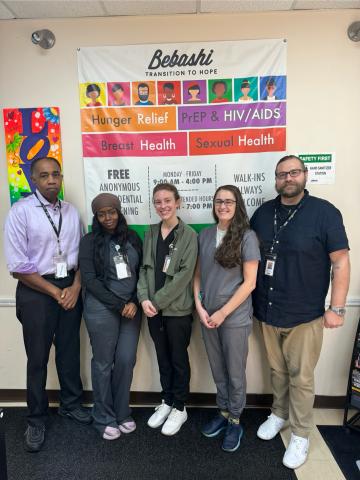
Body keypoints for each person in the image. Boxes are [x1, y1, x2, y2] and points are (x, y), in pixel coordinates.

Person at [250, 155, 350, 469]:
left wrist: (337, 307)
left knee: (301, 377)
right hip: (267, 311)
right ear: (276, 179)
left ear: (305, 175)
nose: (288, 178)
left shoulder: (325, 213)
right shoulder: (263, 213)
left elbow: (341, 262)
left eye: (294, 172)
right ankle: (279, 414)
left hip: (305, 315)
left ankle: (302, 433)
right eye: (282, 174)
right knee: (277, 372)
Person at [4, 156, 91, 453]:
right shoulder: (20, 212)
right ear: (34, 180)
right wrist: (56, 292)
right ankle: (36, 419)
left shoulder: (71, 212)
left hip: (70, 288)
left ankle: (70, 404)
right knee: (38, 359)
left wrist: (76, 287)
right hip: (37, 291)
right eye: (44, 175)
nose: (51, 180)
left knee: (69, 352)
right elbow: (18, 266)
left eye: (56, 174)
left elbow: (83, 256)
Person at [194, 185, 260, 452]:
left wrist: (222, 312)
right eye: (219, 201)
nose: (223, 205)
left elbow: (250, 283)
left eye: (229, 201)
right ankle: (222, 412)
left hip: (233, 316)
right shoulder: (205, 234)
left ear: (237, 204)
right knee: (217, 368)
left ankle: (235, 418)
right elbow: (197, 275)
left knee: (234, 371)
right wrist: (199, 306)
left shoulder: (247, 236)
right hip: (207, 314)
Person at [79, 193, 142, 440]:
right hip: (101, 308)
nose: (108, 218)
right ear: (96, 216)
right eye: (102, 213)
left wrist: (135, 301)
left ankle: (122, 412)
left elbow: (142, 274)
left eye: (112, 212)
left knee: (126, 360)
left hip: (132, 309)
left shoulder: (133, 238)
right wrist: (119, 304)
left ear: (119, 211)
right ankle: (103, 416)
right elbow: (90, 280)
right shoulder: (89, 241)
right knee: (103, 363)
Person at [137, 183, 198, 436]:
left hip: (177, 311)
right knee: (162, 357)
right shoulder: (150, 233)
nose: (163, 206)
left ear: (178, 202)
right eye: (158, 202)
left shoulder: (189, 235)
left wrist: (157, 301)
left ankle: (180, 407)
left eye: (167, 201)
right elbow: (143, 269)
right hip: (152, 310)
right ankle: (167, 400)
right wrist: (143, 299)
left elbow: (184, 276)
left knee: (178, 359)